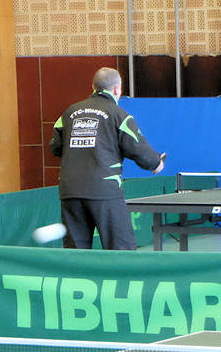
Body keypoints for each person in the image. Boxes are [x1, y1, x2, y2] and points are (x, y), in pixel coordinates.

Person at [49, 67, 165, 249]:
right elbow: (139, 150)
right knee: (121, 251)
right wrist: (157, 163)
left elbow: (55, 147)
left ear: (93, 87)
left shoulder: (69, 113)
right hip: (104, 191)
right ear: (117, 89)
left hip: (70, 191)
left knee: (75, 254)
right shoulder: (119, 115)